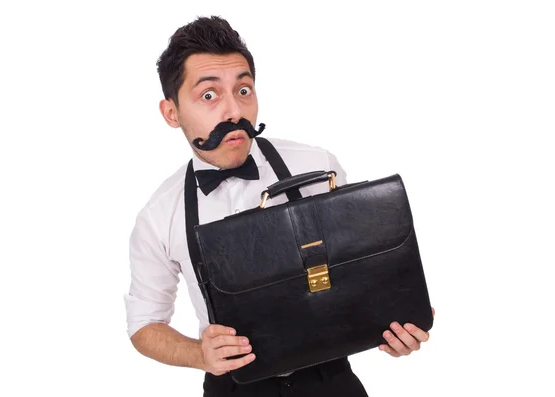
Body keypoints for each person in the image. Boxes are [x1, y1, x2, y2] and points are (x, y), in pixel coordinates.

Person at [124, 15, 433, 397]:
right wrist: (198, 354)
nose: (233, 112)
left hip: (330, 382)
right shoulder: (159, 215)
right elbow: (144, 324)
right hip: (233, 389)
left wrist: (393, 322)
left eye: (243, 90)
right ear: (172, 112)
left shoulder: (318, 167)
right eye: (209, 95)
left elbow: (360, 272)